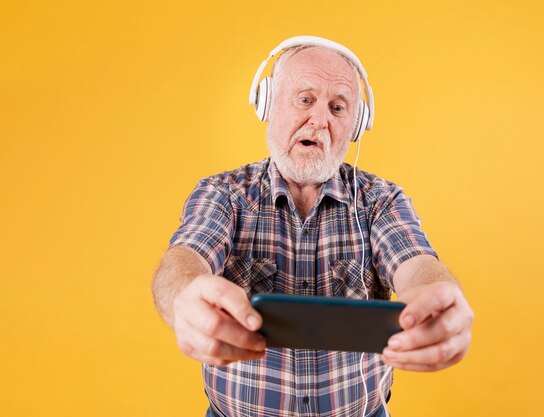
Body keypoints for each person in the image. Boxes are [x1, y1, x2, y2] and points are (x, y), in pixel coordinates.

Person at [152, 36, 474, 417]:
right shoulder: (223, 193)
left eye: (338, 108)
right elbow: (184, 259)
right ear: (267, 104)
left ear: (357, 126)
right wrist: (185, 297)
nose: (320, 120)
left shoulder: (379, 200)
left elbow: (417, 265)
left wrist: (439, 300)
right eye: (305, 100)